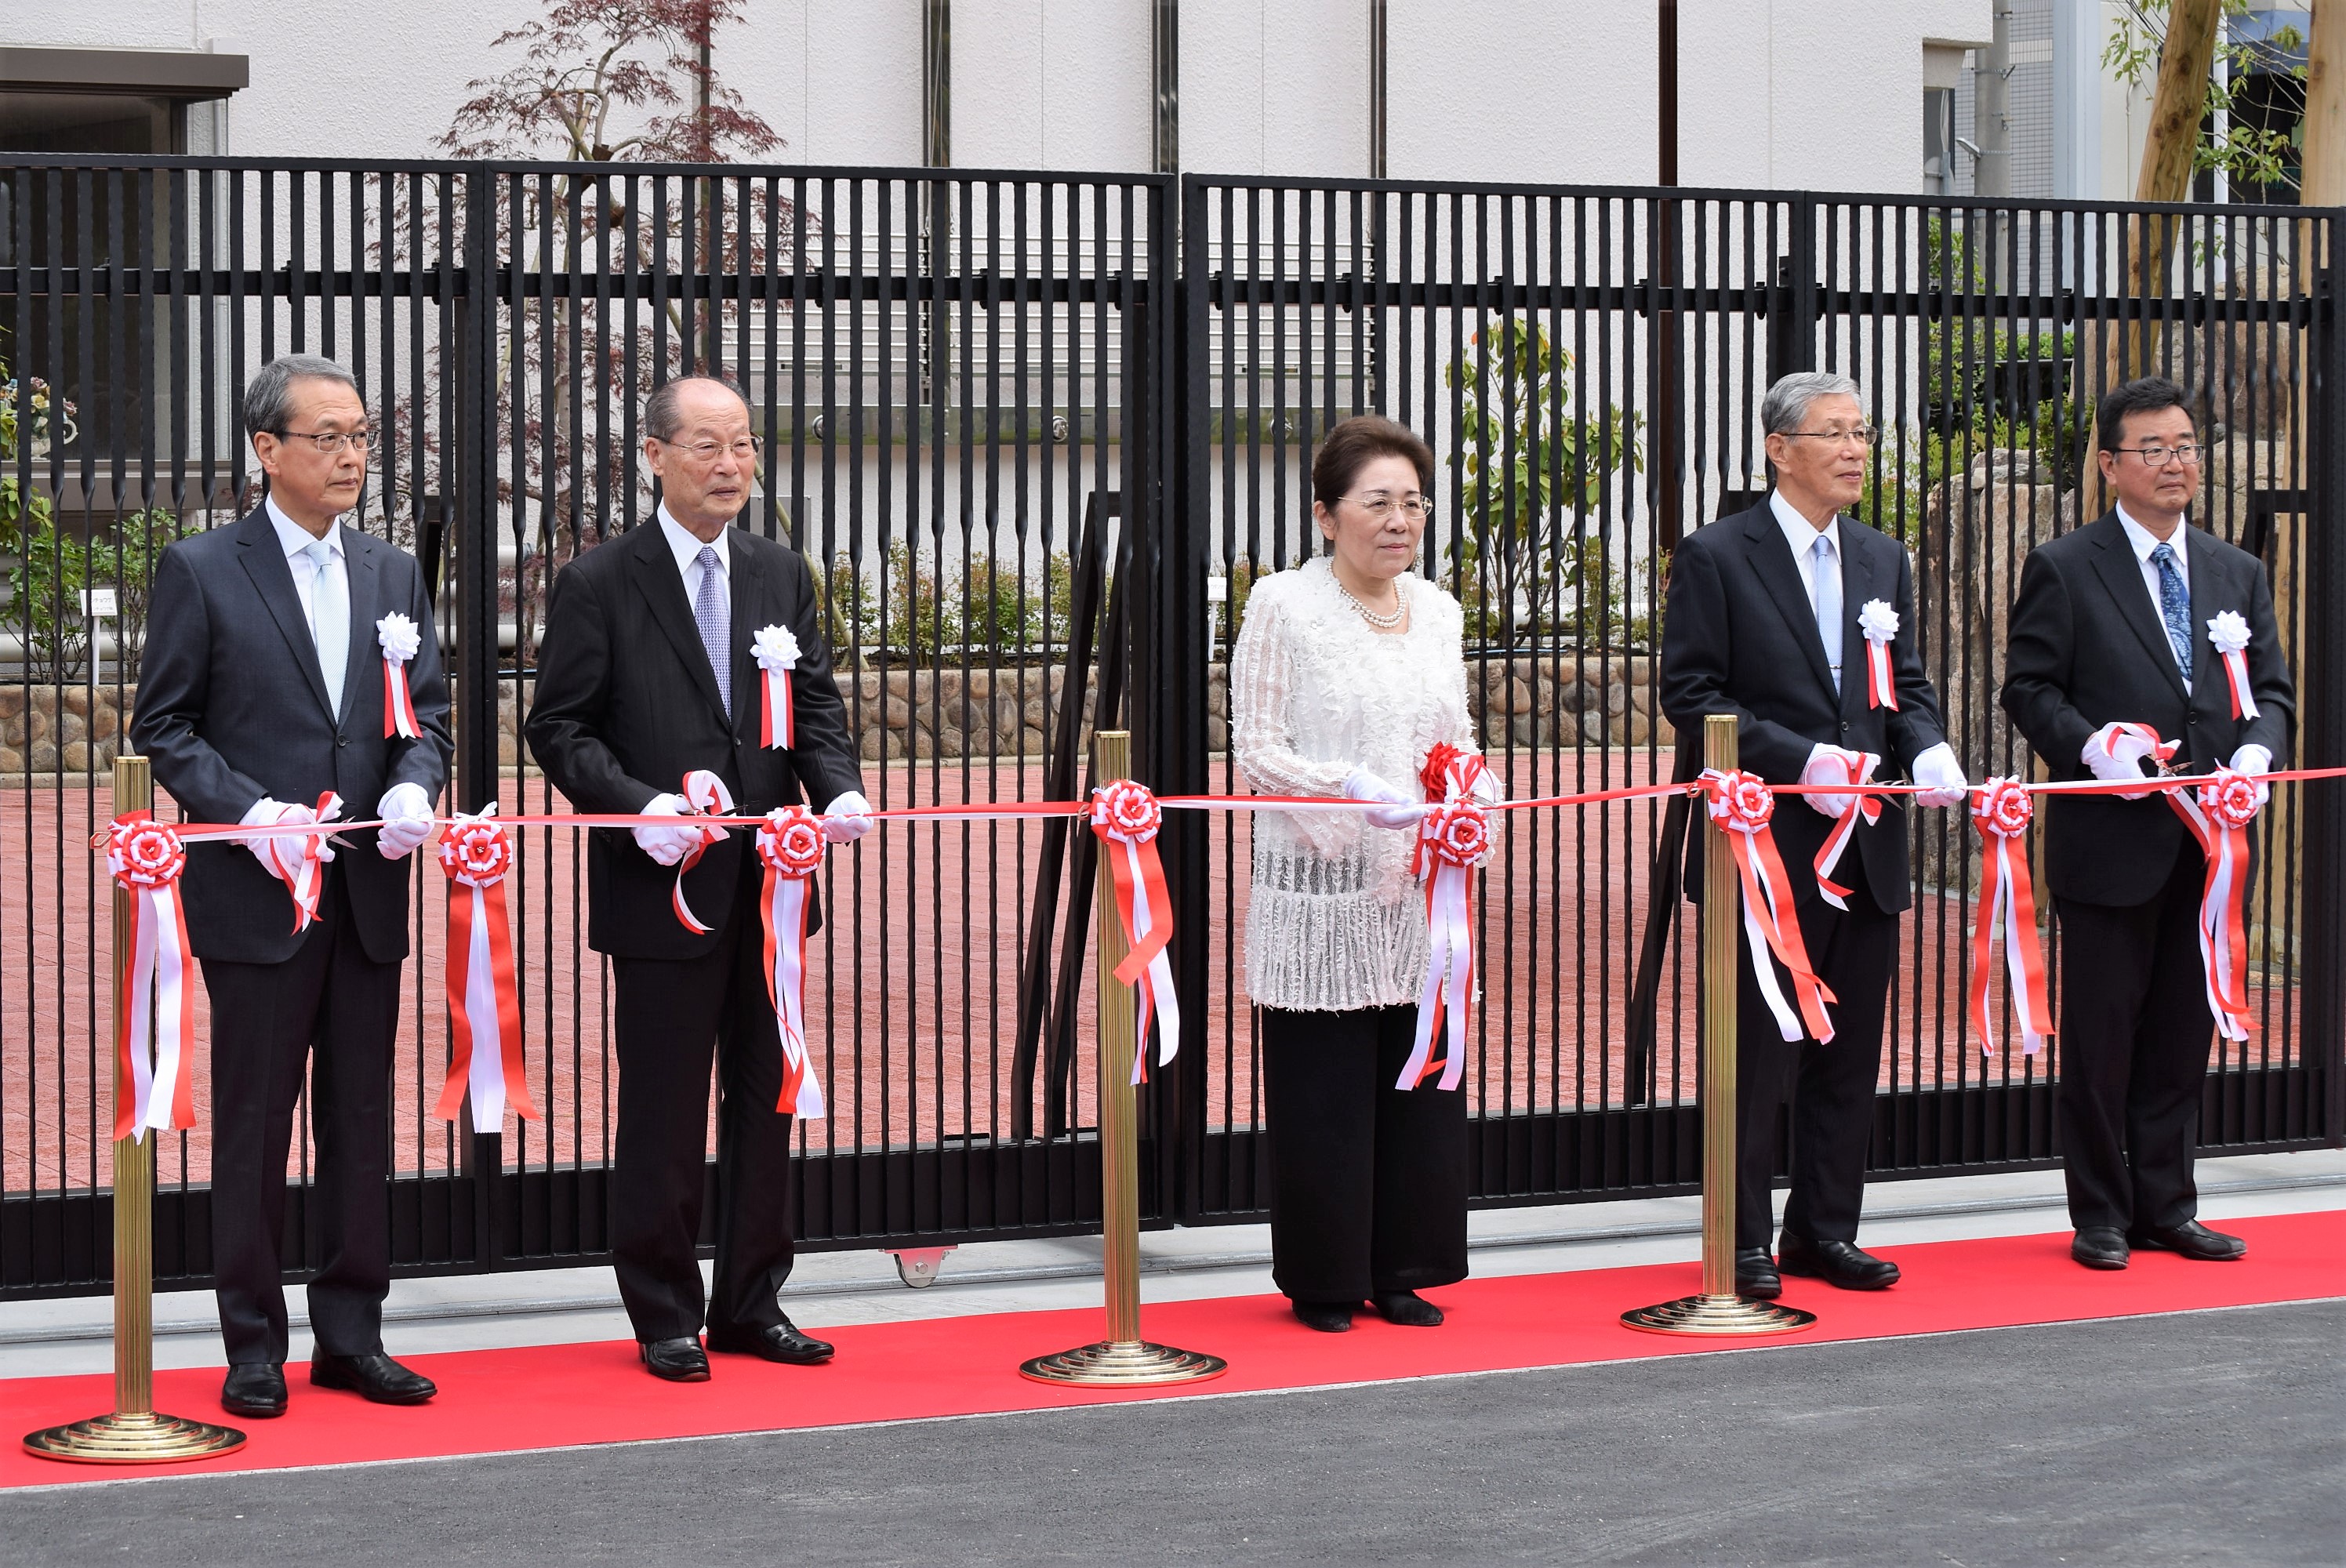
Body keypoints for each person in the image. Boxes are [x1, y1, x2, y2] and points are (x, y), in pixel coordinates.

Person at [525, 375, 872, 1381]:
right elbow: (559, 727)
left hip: (770, 887)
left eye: (744, 445)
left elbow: (814, 702)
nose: (731, 465)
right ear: (656, 455)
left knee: (768, 1098)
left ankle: (753, 1301)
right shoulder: (601, 580)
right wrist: (641, 806)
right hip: (661, 888)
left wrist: (839, 788)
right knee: (665, 1109)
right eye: (709, 446)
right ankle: (665, 1309)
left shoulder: (778, 571)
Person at [131, 354, 451, 1419]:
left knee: (361, 1119)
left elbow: (427, 715)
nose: (352, 454)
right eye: (327, 436)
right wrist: (253, 812)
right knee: (257, 1120)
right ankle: (253, 1342)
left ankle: (352, 1335)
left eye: (360, 434)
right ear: (267, 449)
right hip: (257, 895)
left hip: (365, 894)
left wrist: (412, 785)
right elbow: (164, 725)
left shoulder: (392, 573)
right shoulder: (202, 568)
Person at [1658, 370, 1970, 1300]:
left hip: (1866, 840)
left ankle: (1825, 1229)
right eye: (1834, 432)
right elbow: (1693, 694)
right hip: (1764, 845)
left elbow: (1901, 685)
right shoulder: (1718, 555)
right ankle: (1743, 1238)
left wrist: (1927, 745)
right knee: (1757, 1054)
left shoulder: (1882, 558)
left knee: (1849, 1051)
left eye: (1861, 432)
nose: (1854, 449)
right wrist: (1803, 760)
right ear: (1778, 448)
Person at [2001, 376, 2293, 1272]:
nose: (2175, 463)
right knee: (2100, 1036)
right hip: (2111, 840)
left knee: (2178, 1032)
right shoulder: (2064, 565)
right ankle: (2100, 1210)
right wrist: (2092, 748)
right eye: (2153, 448)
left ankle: (2168, 1204)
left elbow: (2270, 692)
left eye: (2185, 446)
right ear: (2107, 463)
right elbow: (2029, 688)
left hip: (2209, 845)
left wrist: (2258, 753)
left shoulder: (2235, 570)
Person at [1229, 414, 1493, 1334]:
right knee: (1326, 1090)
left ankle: (1404, 1266)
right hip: (1322, 886)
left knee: (1418, 1084)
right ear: (1325, 514)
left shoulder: (1438, 610)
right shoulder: (1283, 605)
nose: (1398, 521)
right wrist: (1344, 790)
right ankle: (1325, 1276)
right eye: (1377, 502)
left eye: (1413, 503)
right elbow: (1257, 747)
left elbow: (1454, 731)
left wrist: (1471, 784)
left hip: (1421, 886)